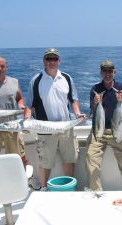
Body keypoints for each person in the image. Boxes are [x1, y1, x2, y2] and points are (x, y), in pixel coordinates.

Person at [25, 48, 85, 191]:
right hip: (45, 129)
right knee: (45, 162)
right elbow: (29, 105)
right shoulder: (36, 80)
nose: (52, 62)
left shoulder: (67, 78)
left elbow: (74, 99)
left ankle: (70, 188)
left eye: (55, 59)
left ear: (59, 61)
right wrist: (27, 119)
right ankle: (45, 189)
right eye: (48, 59)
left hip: (66, 127)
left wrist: (78, 113)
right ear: (44, 61)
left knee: (69, 160)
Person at [86, 60, 122, 191]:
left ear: (114, 72)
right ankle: (96, 192)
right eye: (105, 71)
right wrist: (96, 103)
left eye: (110, 71)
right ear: (101, 72)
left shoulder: (121, 87)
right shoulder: (95, 89)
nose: (107, 74)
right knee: (91, 159)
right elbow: (92, 110)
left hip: (118, 130)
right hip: (99, 131)